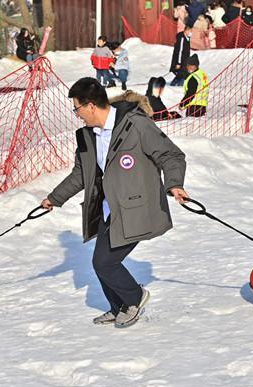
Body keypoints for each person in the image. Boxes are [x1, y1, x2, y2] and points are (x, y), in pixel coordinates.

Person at [41, 78, 188, 328]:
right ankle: (118, 306)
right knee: (100, 261)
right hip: (109, 209)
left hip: (136, 208)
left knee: (104, 262)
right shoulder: (88, 136)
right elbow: (81, 174)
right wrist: (55, 198)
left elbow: (170, 154)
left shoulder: (136, 125)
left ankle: (134, 297)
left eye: (76, 108)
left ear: (89, 106)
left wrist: (174, 183)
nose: (76, 115)